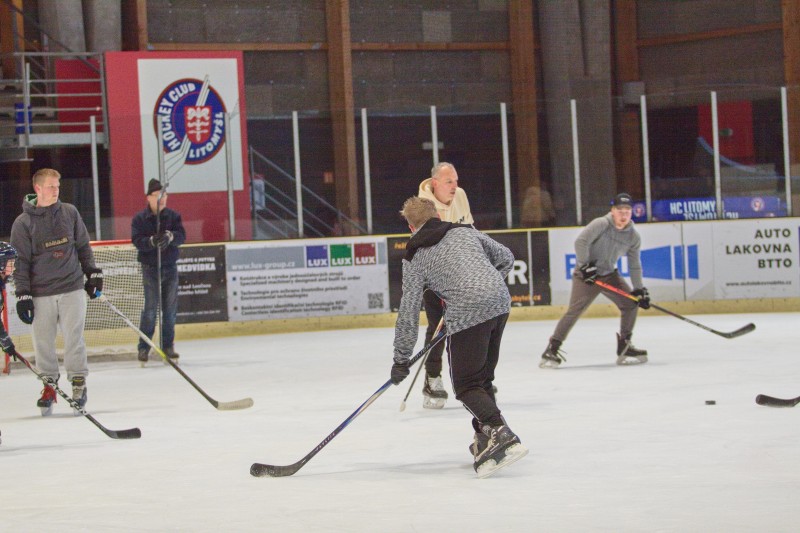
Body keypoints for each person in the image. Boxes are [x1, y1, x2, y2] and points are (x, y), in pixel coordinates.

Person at [389, 196, 527, 478]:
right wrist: (487, 286)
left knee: (466, 386)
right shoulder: (465, 231)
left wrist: (400, 358)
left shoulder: (415, 256)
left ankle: (500, 432)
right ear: (437, 214)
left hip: (468, 311)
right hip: (500, 302)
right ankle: (486, 436)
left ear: (410, 227)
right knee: (482, 380)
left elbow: (408, 312)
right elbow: (506, 257)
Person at [10, 168, 103, 416]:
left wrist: (93, 273)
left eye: (57, 186)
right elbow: (21, 262)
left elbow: (83, 246)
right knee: (43, 343)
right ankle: (49, 385)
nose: (56, 190)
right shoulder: (23, 223)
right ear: (37, 189)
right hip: (41, 293)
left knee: (74, 339)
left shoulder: (69, 213)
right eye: (51, 186)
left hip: (71, 287)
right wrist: (23, 294)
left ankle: (78, 383)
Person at [539, 192, 651, 369]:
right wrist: (585, 267)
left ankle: (625, 345)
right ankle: (552, 348)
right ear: (612, 211)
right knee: (575, 310)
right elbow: (581, 242)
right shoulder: (602, 224)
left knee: (631, 303)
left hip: (609, 275)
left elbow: (634, 264)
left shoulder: (633, 237)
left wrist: (639, 290)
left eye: (627, 211)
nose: (623, 214)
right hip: (586, 276)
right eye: (620, 210)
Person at [416, 162, 474, 408]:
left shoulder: (460, 196)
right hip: (432, 273)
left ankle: (473, 379)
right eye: (449, 182)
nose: (455, 186)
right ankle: (432, 377)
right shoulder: (421, 207)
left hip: (460, 271)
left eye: (456, 180)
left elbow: (469, 229)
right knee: (439, 326)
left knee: (471, 325)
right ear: (435, 183)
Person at [131, 179, 186, 365]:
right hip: (150, 269)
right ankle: (144, 347)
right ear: (149, 197)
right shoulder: (140, 219)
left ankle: (168, 346)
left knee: (169, 310)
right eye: (158, 196)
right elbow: (137, 240)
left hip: (169, 267)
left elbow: (182, 236)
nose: (162, 199)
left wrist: (171, 237)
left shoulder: (173, 216)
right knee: (150, 310)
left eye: (165, 195)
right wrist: (151, 242)